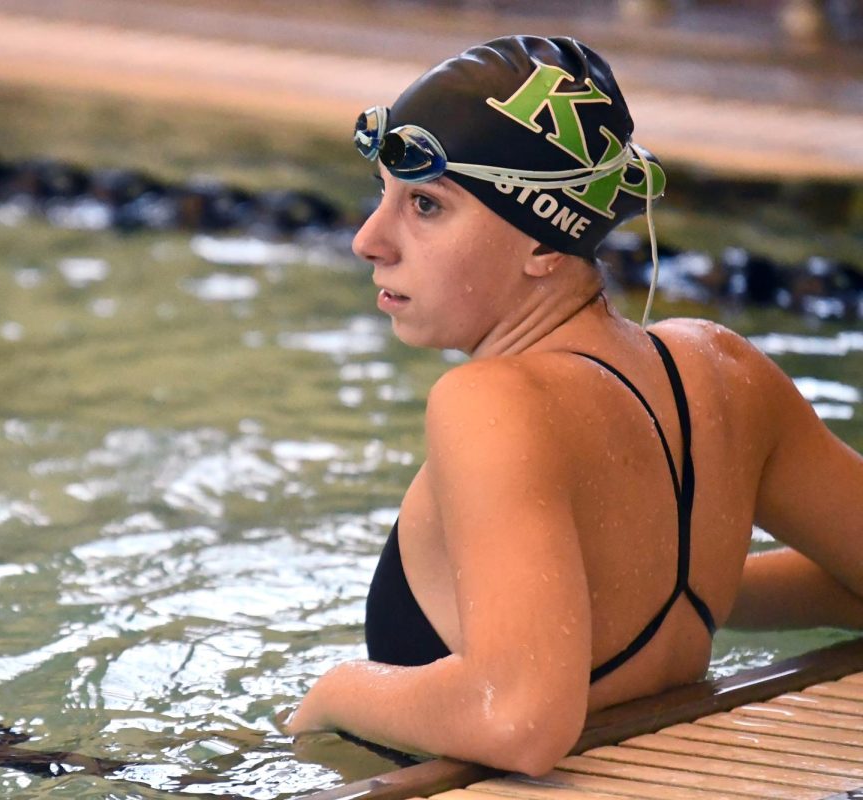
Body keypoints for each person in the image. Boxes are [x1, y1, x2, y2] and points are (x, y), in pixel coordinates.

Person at [285, 34, 863, 775]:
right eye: (384, 195)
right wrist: (699, 579)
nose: (369, 238)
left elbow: (522, 722)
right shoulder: (725, 370)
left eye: (426, 204)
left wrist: (336, 693)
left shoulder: (488, 402)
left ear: (544, 244)